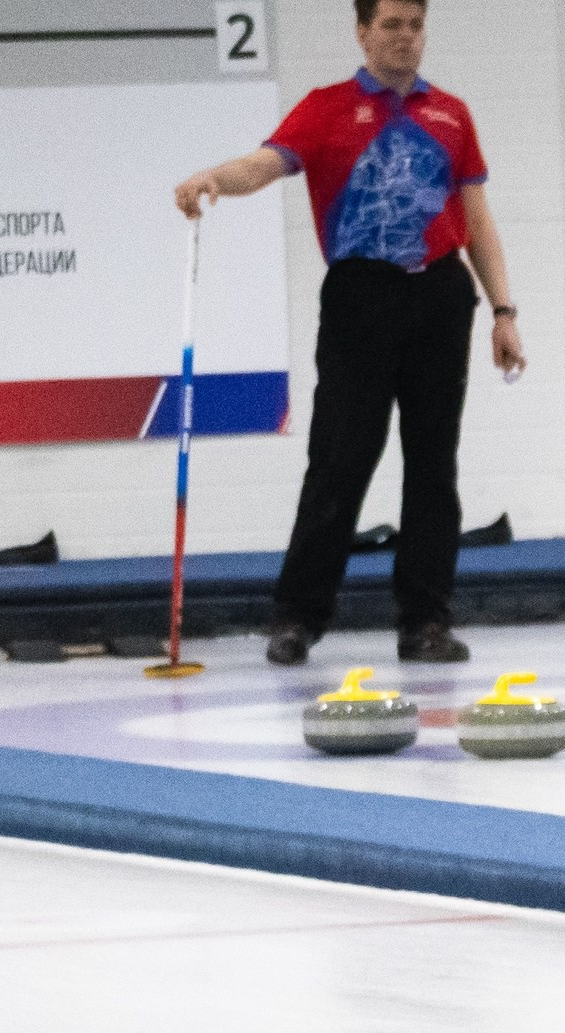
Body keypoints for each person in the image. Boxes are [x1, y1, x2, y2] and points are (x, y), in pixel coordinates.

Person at [176, 0, 522, 666]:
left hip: (441, 293)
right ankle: (299, 615)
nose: (405, 39)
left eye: (416, 26)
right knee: (340, 456)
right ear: (363, 32)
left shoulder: (451, 115)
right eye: (392, 26)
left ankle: (425, 621)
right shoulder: (328, 106)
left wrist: (504, 311)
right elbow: (266, 163)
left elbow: (477, 217)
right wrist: (214, 179)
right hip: (362, 296)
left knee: (432, 463)